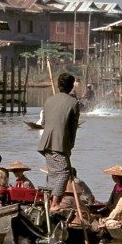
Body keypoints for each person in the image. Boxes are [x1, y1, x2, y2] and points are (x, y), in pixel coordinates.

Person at [37, 72, 80, 213]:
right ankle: (54, 203)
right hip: (59, 143)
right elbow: (73, 128)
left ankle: (48, 202)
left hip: (46, 142)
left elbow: (43, 122)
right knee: (63, 172)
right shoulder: (74, 102)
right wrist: (70, 145)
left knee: (53, 173)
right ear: (71, 86)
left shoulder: (49, 100)